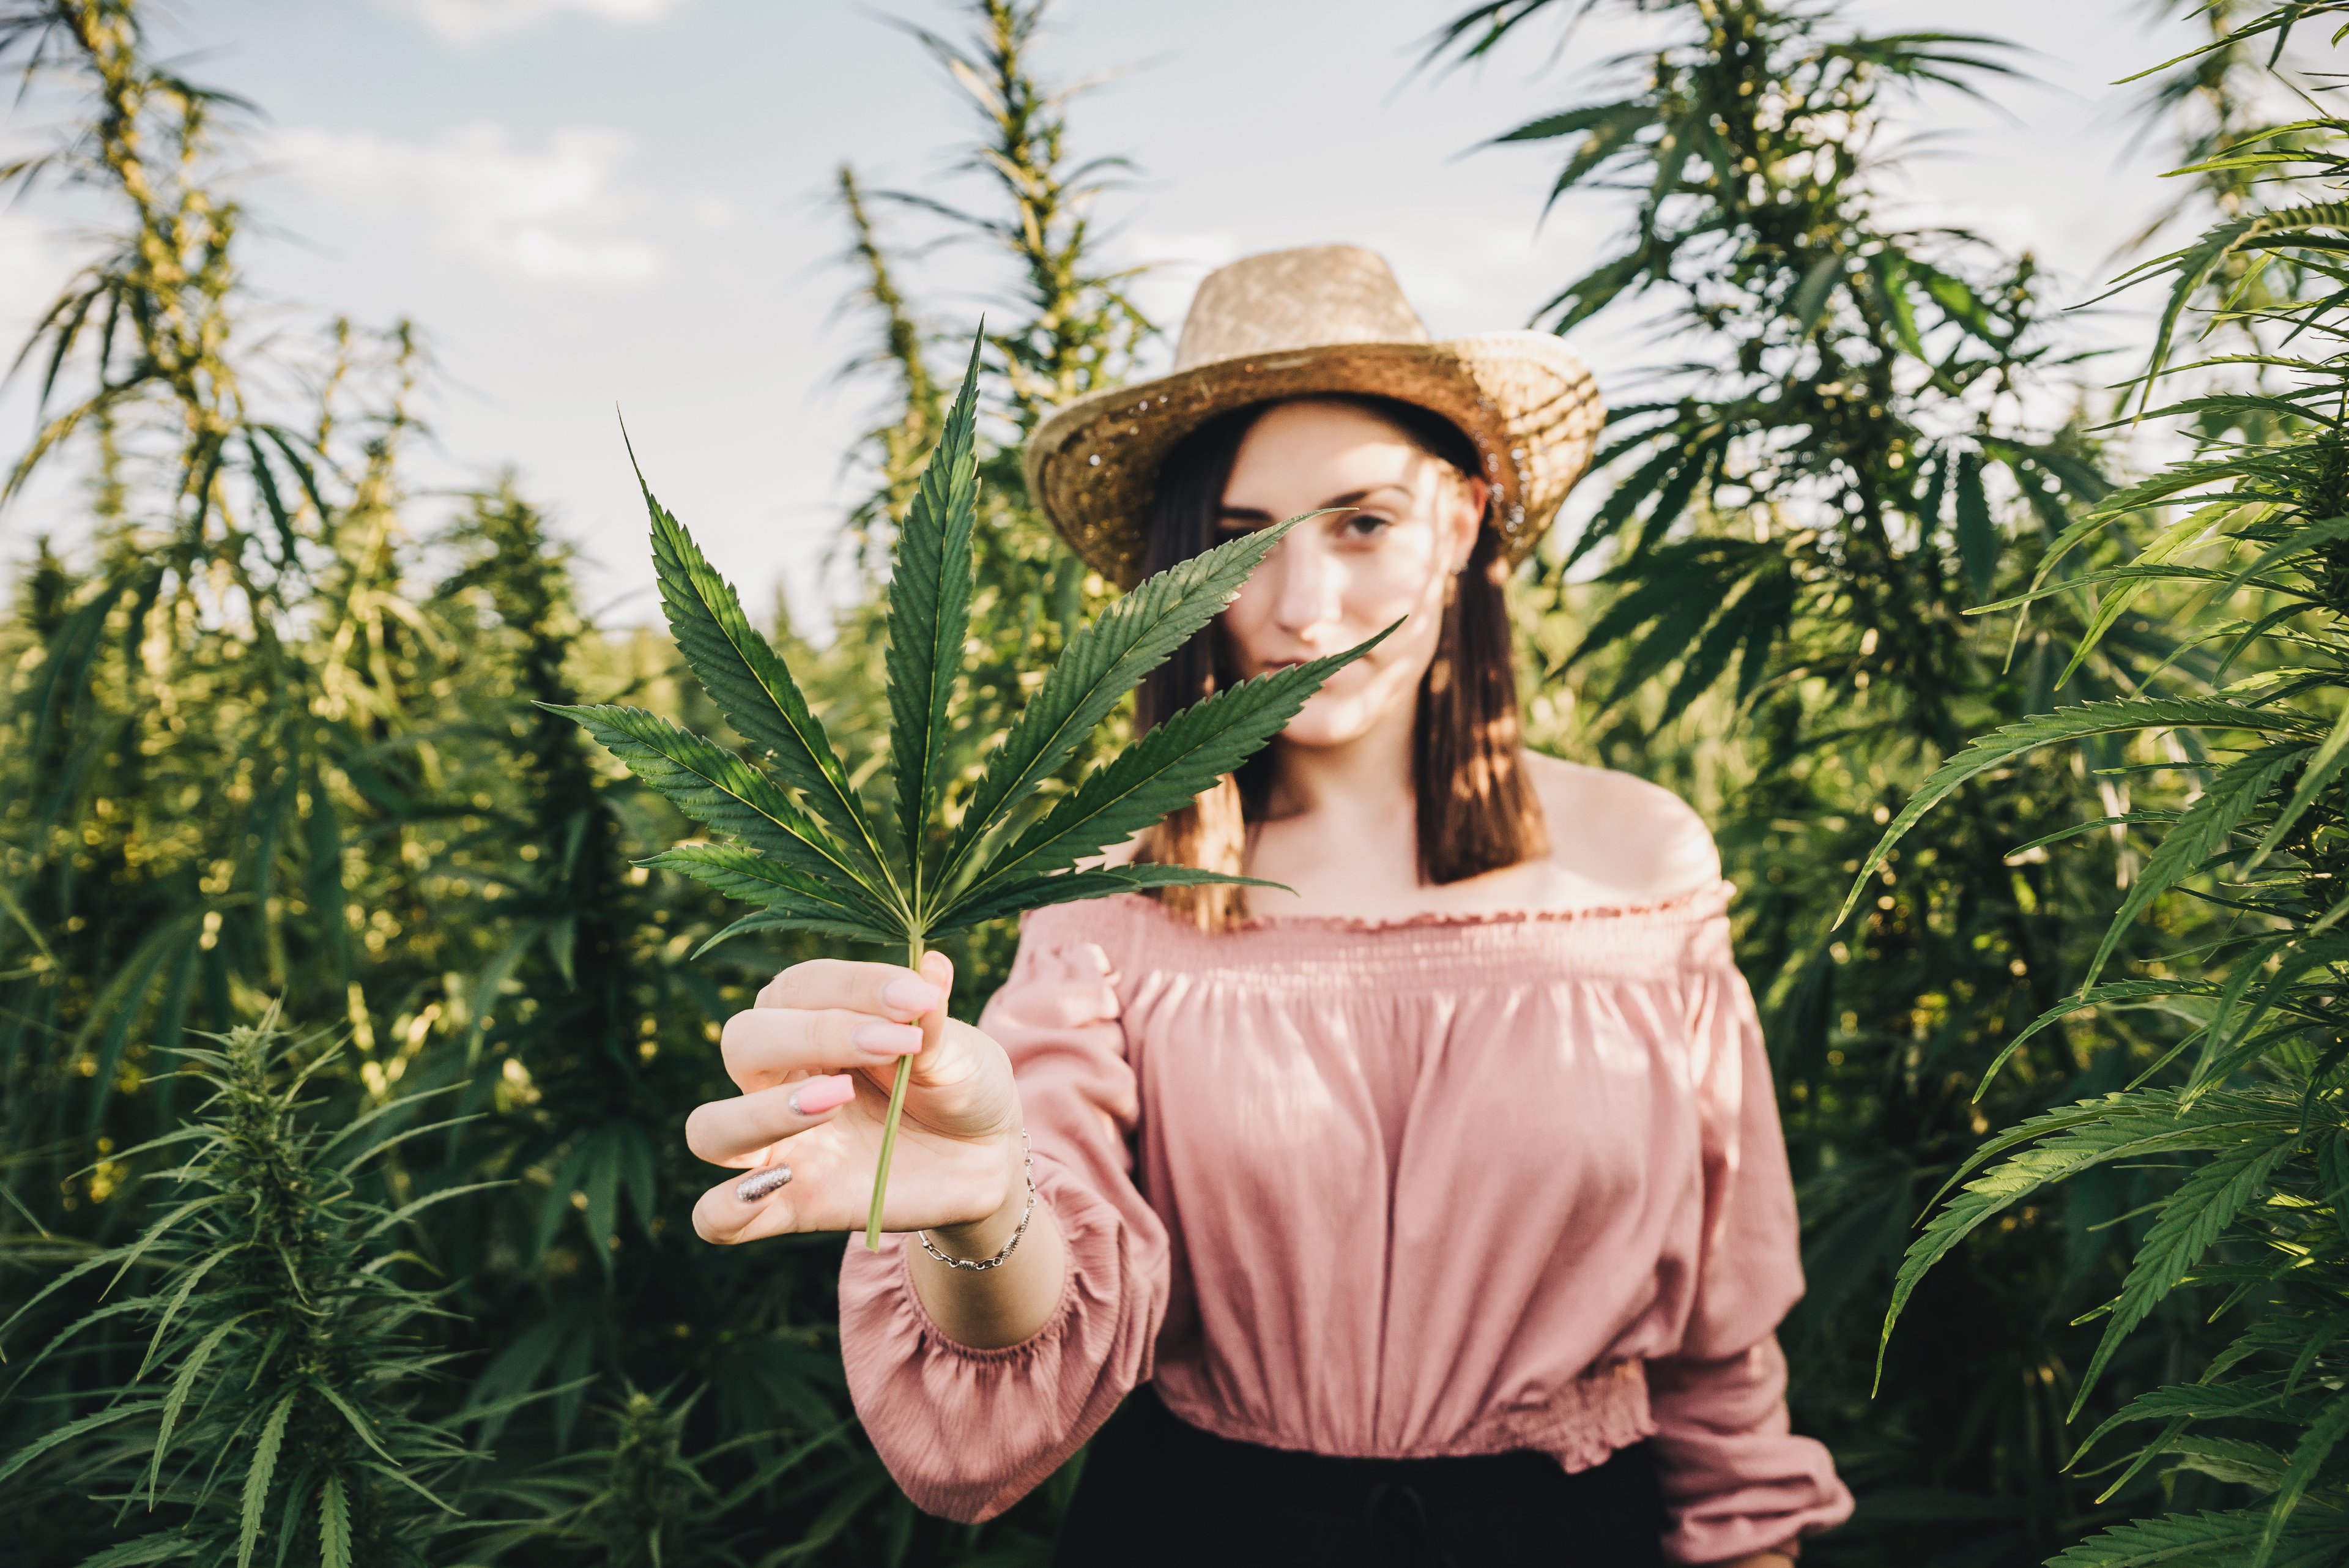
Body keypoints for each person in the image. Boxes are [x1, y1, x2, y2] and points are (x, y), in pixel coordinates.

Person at [682, 247, 1854, 1567]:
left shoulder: (1641, 863)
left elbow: (1722, 1332)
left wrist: (1756, 1545)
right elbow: (1030, 1286)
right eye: (1244, 544)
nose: (1305, 608)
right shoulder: (1110, 894)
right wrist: (976, 1205)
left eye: (1363, 522)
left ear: (1463, 521)